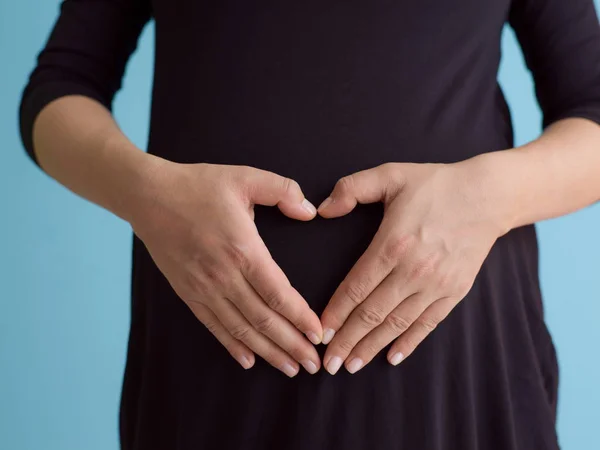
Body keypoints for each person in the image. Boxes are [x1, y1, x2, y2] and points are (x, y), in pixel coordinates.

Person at [18, 0, 600, 449]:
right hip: (215, 364)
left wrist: (487, 196)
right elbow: (60, 87)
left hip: (459, 377)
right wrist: (146, 195)